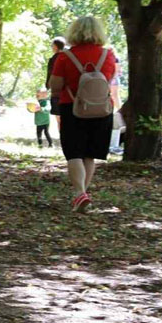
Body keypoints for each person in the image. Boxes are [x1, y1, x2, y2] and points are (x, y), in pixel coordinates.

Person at [48, 16, 117, 212]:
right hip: (101, 109)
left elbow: (55, 86)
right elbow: (109, 80)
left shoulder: (65, 57)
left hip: (73, 108)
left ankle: (80, 193)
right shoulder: (108, 55)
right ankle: (82, 195)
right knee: (89, 154)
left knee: (74, 153)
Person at [45, 36, 67, 131]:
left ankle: (62, 136)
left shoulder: (53, 59)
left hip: (57, 92)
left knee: (59, 118)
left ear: (55, 46)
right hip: (69, 91)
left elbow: (50, 74)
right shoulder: (69, 57)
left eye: (52, 45)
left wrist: (47, 86)